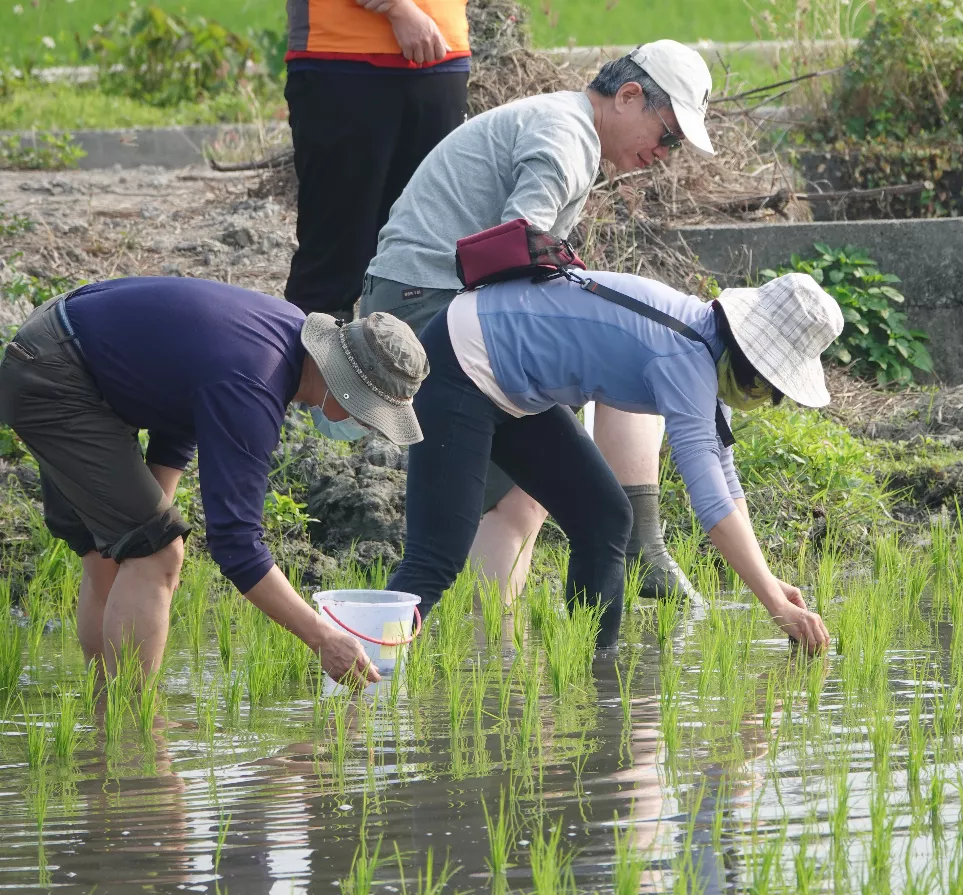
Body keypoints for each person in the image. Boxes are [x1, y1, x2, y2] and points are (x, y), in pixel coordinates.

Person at [361, 39, 716, 606]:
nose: (666, 153)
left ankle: (497, 663)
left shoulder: (569, 127)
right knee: (509, 506)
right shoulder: (565, 138)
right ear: (629, 96)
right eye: (668, 134)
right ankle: (487, 662)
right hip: (422, 307)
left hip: (429, 299)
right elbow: (515, 252)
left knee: (534, 500)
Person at [0, 277, 429, 685]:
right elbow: (237, 544)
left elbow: (182, 397)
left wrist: (152, 516)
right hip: (58, 377)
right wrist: (322, 637)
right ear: (347, 386)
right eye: (372, 413)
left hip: (57, 345)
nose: (368, 425)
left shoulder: (281, 337)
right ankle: (133, 732)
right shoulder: (255, 383)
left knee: (115, 554)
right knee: (156, 552)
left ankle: (109, 719)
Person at [388, 270, 842, 651]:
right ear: (750, 359)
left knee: (603, 518)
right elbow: (711, 506)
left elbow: (726, 478)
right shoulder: (684, 355)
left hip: (515, 386)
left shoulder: (709, 348)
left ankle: (594, 676)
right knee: (436, 557)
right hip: (463, 362)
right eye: (766, 388)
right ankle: (360, 672)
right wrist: (774, 606)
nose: (762, 399)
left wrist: (769, 580)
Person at [283, 0, 471, 320]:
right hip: (343, 58)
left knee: (423, 256)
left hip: (443, 55)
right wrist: (398, 8)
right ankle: (309, 368)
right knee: (335, 257)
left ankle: (397, 366)